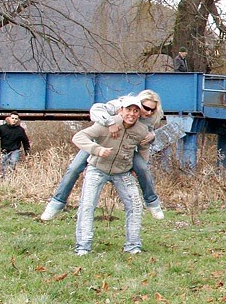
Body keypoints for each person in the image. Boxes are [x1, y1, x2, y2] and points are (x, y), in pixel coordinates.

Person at [41, 90, 165, 221]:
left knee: (143, 168)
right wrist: (110, 123)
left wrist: (152, 135)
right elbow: (96, 109)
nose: (149, 112)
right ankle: (56, 203)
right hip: (100, 143)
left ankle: (153, 203)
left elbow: (146, 137)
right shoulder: (120, 105)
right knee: (74, 168)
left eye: (153, 110)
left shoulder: (149, 118)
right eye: (146, 108)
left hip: (125, 150)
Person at [70, 97, 152, 256]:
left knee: (135, 205)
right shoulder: (106, 124)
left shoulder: (141, 130)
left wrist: (140, 166)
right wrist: (96, 149)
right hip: (97, 168)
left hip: (122, 172)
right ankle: (83, 246)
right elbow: (79, 137)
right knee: (87, 205)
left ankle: (133, 246)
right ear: (121, 110)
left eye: (136, 111)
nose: (132, 114)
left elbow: (144, 147)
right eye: (128, 110)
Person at [0, 113, 32, 177]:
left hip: (15, 150)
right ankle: (4, 178)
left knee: (13, 163)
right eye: (12, 118)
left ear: (18, 120)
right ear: (9, 118)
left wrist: (27, 153)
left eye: (16, 119)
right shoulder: (2, 128)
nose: (14, 120)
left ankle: (11, 178)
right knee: (4, 166)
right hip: (5, 150)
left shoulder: (20, 130)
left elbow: (25, 142)